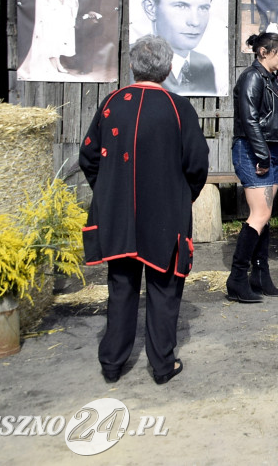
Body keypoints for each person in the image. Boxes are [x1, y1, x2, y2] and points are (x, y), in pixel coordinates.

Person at [79, 35, 208, 385]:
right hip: (165, 216)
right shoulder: (179, 108)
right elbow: (197, 167)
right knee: (164, 289)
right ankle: (162, 365)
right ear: (168, 69)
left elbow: (88, 158)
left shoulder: (112, 103)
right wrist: (181, 198)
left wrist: (110, 192)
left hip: (118, 216)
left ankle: (112, 364)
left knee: (120, 287)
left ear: (133, 66)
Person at [227, 32, 278, 303]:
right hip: (254, 151)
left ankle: (261, 274)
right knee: (260, 214)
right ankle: (237, 278)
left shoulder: (272, 80)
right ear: (263, 52)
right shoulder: (252, 77)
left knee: (265, 216)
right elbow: (250, 119)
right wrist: (263, 156)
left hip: (271, 151)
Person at [141, 0, 217, 96]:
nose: (195, 22)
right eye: (181, 6)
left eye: (203, 8)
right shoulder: (133, 62)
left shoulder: (204, 65)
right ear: (150, 8)